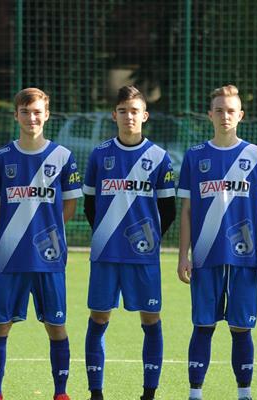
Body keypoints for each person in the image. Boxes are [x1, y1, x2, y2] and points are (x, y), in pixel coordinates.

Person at [0, 88, 82, 400]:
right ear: (16, 115)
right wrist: (14, 229)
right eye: (25, 112)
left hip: (49, 259)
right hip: (10, 256)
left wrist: (48, 230)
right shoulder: (3, 157)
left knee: (56, 325)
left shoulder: (62, 156)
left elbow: (70, 204)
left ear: (47, 115)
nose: (31, 118)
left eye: (37, 112)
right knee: (0, 325)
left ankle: (61, 392)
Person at [176, 85, 257, 400]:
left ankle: (244, 393)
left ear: (241, 115)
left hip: (244, 258)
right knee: (203, 325)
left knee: (241, 327)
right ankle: (195, 393)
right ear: (210, 115)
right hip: (205, 256)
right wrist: (183, 255)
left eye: (231, 110)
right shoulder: (195, 156)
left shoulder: (256, 155)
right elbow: (187, 210)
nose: (225, 116)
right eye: (219, 110)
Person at [82, 85, 175, 400]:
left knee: (150, 319)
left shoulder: (159, 157)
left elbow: (168, 210)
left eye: (134, 111)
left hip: (143, 258)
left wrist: (148, 242)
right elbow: (90, 205)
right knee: (99, 317)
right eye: (122, 111)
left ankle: (149, 393)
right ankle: (96, 393)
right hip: (106, 254)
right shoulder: (100, 154)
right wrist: (106, 234)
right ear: (114, 115)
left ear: (144, 116)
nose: (128, 117)